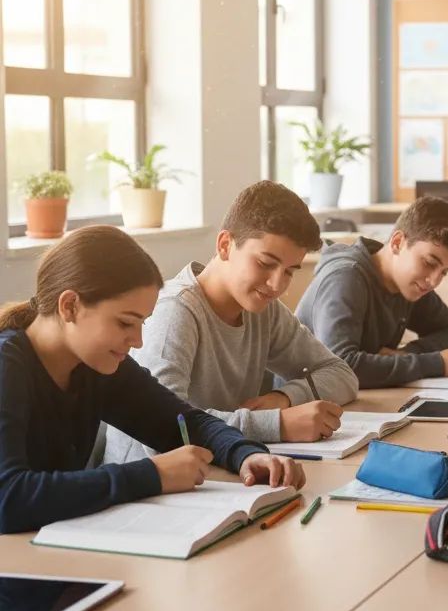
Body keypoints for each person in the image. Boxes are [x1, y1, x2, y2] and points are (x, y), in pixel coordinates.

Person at [0, 226, 303, 534]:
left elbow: (182, 421)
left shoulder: (93, 364)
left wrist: (244, 453)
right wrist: (153, 474)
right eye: (125, 323)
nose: (138, 341)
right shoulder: (8, 367)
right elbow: (7, 498)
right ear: (70, 306)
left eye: (142, 323)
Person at [104, 181, 357, 465]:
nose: (277, 285)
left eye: (289, 271)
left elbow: (341, 375)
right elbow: (163, 431)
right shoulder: (175, 311)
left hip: (220, 470)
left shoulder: (264, 309)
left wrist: (283, 397)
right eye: (265, 263)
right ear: (225, 245)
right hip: (149, 490)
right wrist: (277, 424)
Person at [296, 195, 448, 388]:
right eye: (429, 263)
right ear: (397, 243)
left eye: (444, 272)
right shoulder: (345, 278)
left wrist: (407, 353)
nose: (434, 281)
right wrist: (438, 363)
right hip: (301, 408)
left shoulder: (408, 283)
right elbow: (340, 368)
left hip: (354, 404)